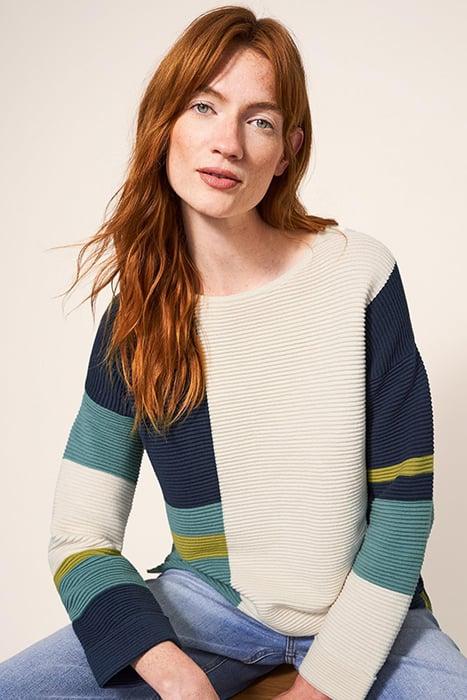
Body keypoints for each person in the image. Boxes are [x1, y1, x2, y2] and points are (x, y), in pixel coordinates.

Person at [1, 5, 466, 699]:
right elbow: (80, 534)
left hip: (371, 618)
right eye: (204, 107)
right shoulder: (138, 321)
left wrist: (325, 685)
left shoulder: (359, 275)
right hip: (203, 612)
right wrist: (174, 676)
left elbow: (403, 509)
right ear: (164, 125)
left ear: (287, 151)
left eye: (259, 121)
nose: (228, 143)